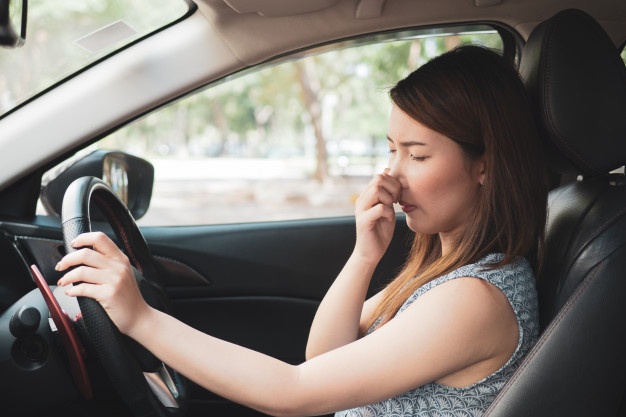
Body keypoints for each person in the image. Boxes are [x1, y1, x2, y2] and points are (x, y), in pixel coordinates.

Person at [56, 45, 548, 417]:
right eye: (391, 149)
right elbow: (324, 356)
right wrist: (363, 258)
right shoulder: (444, 270)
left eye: (417, 155)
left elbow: (293, 392)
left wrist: (141, 319)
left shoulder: (476, 298)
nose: (391, 176)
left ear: (485, 165)